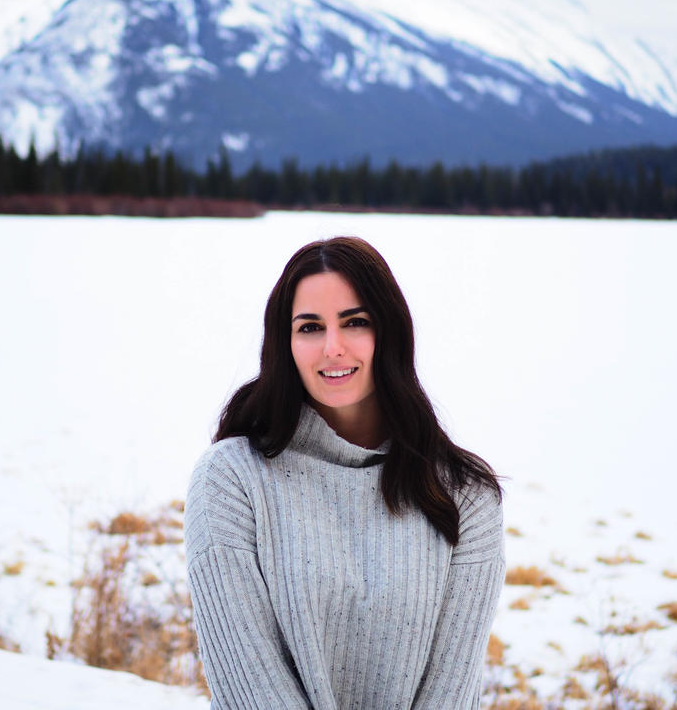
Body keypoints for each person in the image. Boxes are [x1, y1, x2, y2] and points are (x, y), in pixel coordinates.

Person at [185, 236, 505, 709]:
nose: (332, 348)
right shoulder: (232, 481)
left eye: (355, 322)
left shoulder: (463, 496)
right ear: (285, 345)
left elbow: (450, 694)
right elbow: (250, 688)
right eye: (310, 327)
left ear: (389, 332)